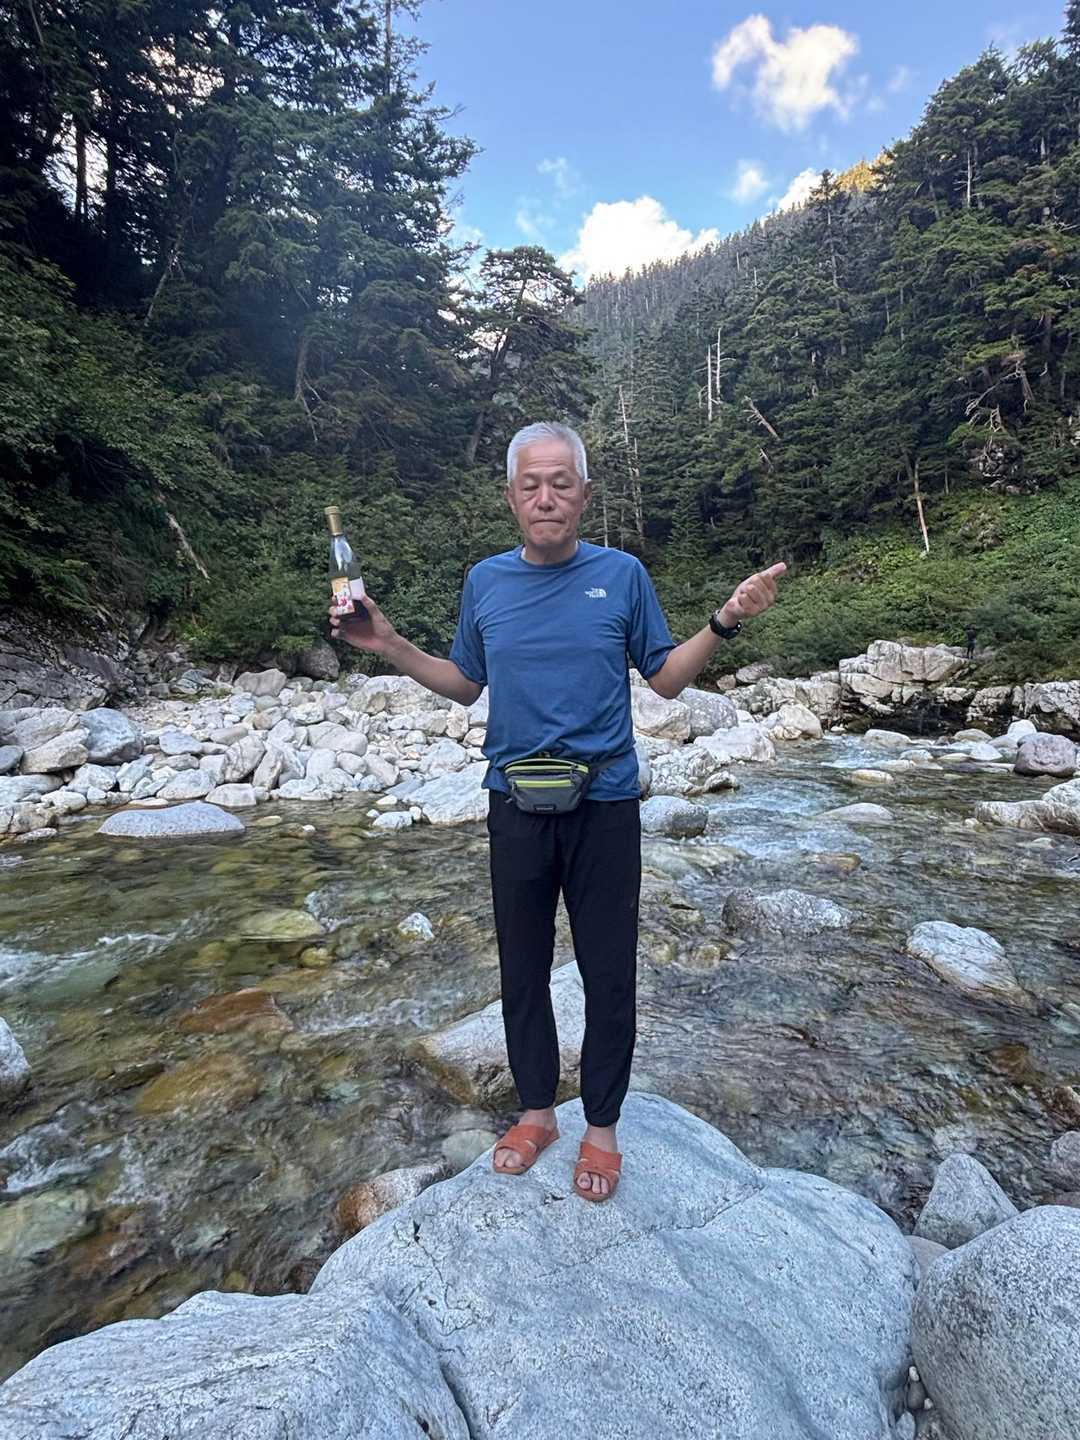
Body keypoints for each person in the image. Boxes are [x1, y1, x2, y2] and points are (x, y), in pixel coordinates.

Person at [330, 422, 785, 1203]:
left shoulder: (622, 575)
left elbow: (665, 680)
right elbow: (466, 684)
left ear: (584, 494)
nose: (546, 498)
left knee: (608, 972)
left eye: (561, 483)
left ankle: (601, 1127)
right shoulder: (486, 582)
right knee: (522, 967)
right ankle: (537, 1112)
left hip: (604, 804)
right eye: (530, 485)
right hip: (515, 804)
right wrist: (393, 644)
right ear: (511, 497)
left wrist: (726, 618)